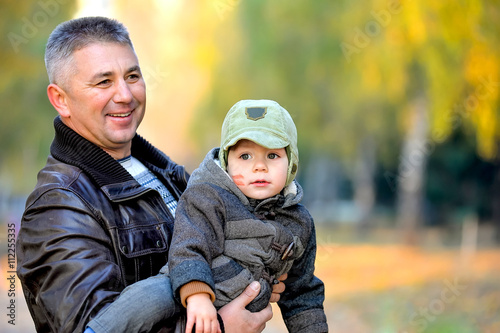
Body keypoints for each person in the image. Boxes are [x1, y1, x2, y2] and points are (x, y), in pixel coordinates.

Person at [16, 17, 284, 333]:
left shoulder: (169, 175)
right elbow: (95, 329)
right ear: (60, 99)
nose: (125, 95)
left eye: (132, 76)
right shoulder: (59, 205)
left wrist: (251, 273)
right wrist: (221, 327)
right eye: (104, 82)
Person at [168, 99, 329, 333]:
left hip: (242, 320)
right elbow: (189, 245)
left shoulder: (297, 222)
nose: (259, 166)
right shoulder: (209, 198)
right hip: (184, 301)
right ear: (226, 162)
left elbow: (302, 291)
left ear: (291, 162)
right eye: (245, 156)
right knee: (144, 302)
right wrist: (198, 295)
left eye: (272, 156)